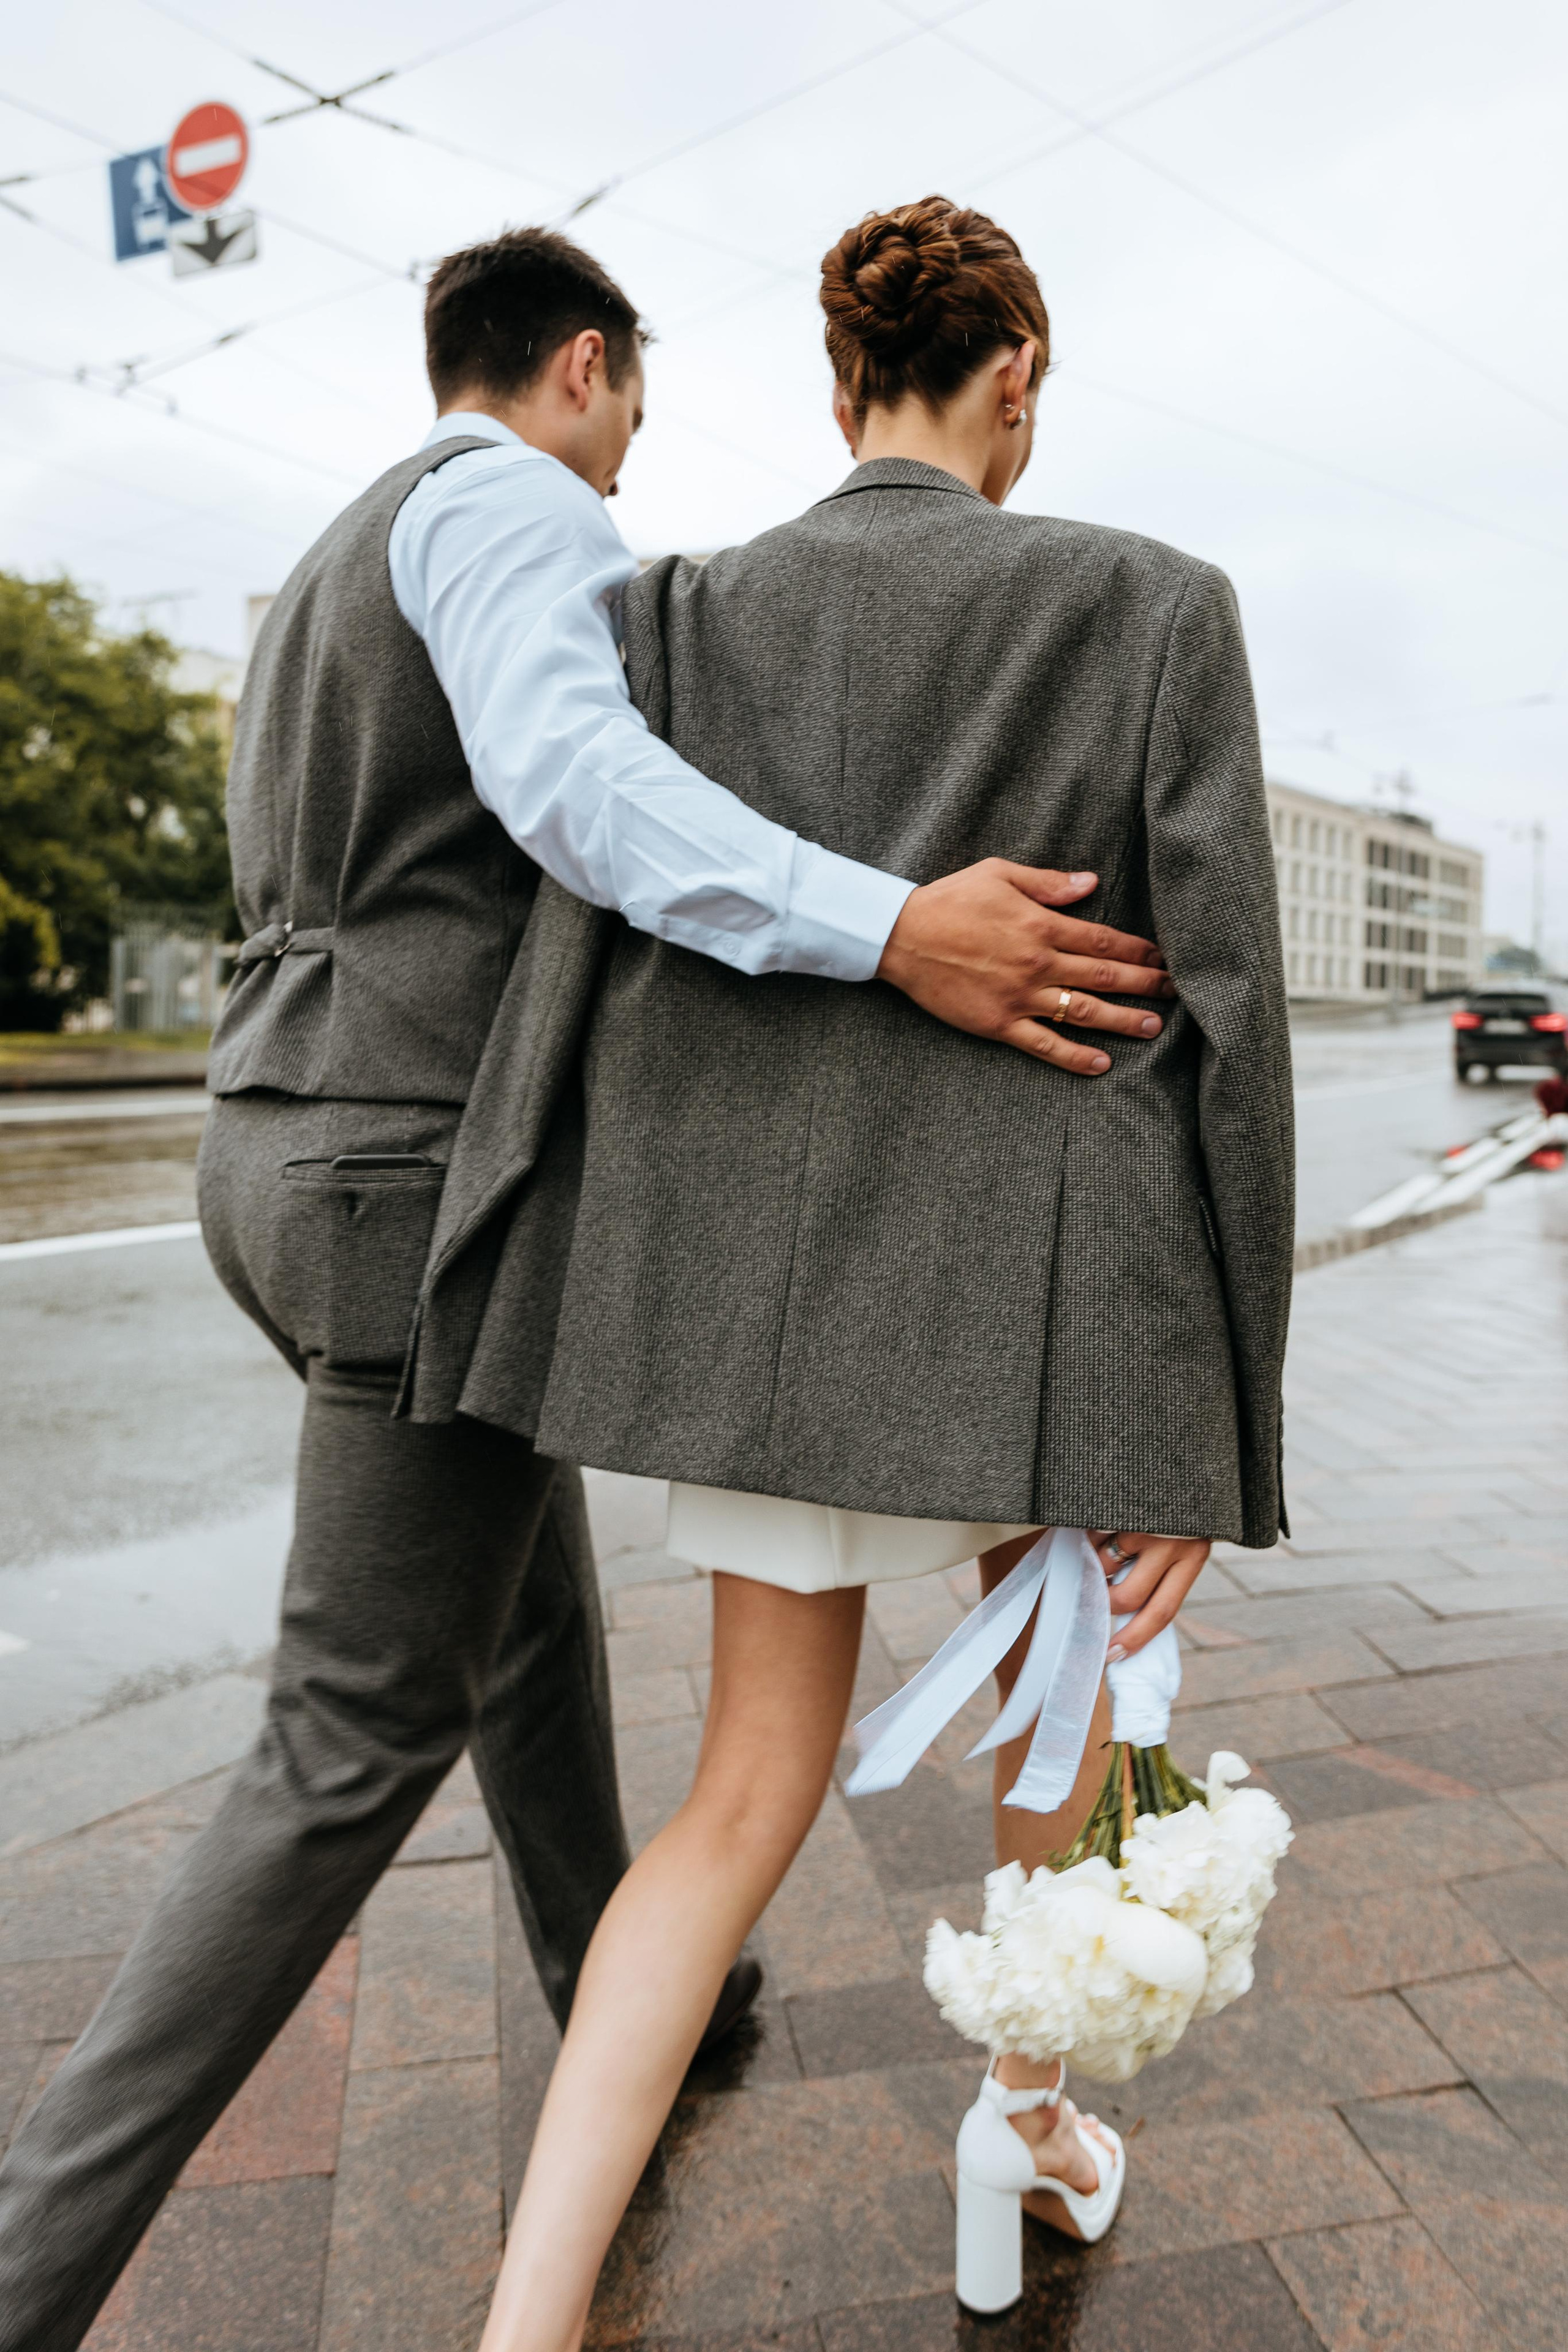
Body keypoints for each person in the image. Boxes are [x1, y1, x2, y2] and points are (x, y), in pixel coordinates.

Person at [0, 228, 1178, 2352]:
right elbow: (583, 793)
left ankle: (643, 1990)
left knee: (524, 1607)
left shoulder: (342, 551)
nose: (633, 465)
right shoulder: (514, 507)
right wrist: (895, 922)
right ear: (581, 365)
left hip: (292, 1145)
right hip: (405, 1179)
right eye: (630, 406)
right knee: (350, 1737)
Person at [455, 197, 1294, 2349]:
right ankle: (1017, 2131)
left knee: (735, 1800)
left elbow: (615, 952)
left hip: (775, 1313)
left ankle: (525, 2320)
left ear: (842, 388)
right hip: (1050, 1298)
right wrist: (1222, 1418)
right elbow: (1227, 1028)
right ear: (1016, 375)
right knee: (1064, 1726)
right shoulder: (1155, 603)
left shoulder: (682, 615)